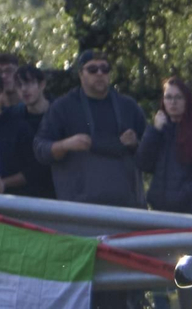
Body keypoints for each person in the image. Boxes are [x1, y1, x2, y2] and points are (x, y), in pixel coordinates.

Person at [32, 49, 147, 208]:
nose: (99, 73)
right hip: (79, 210)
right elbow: (40, 149)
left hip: (126, 209)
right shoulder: (63, 107)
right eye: (92, 69)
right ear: (81, 74)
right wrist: (65, 145)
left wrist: (135, 144)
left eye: (105, 69)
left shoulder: (129, 107)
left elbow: (150, 156)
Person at [136, 76, 192, 215]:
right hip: (161, 211)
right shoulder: (159, 132)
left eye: (178, 97)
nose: (173, 102)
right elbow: (143, 163)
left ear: (187, 100)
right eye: (168, 97)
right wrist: (154, 132)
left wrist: (188, 194)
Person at [14, 65, 56, 198]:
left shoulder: (60, 112)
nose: (24, 89)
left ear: (42, 84)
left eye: (29, 83)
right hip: (27, 192)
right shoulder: (15, 117)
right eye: (19, 85)